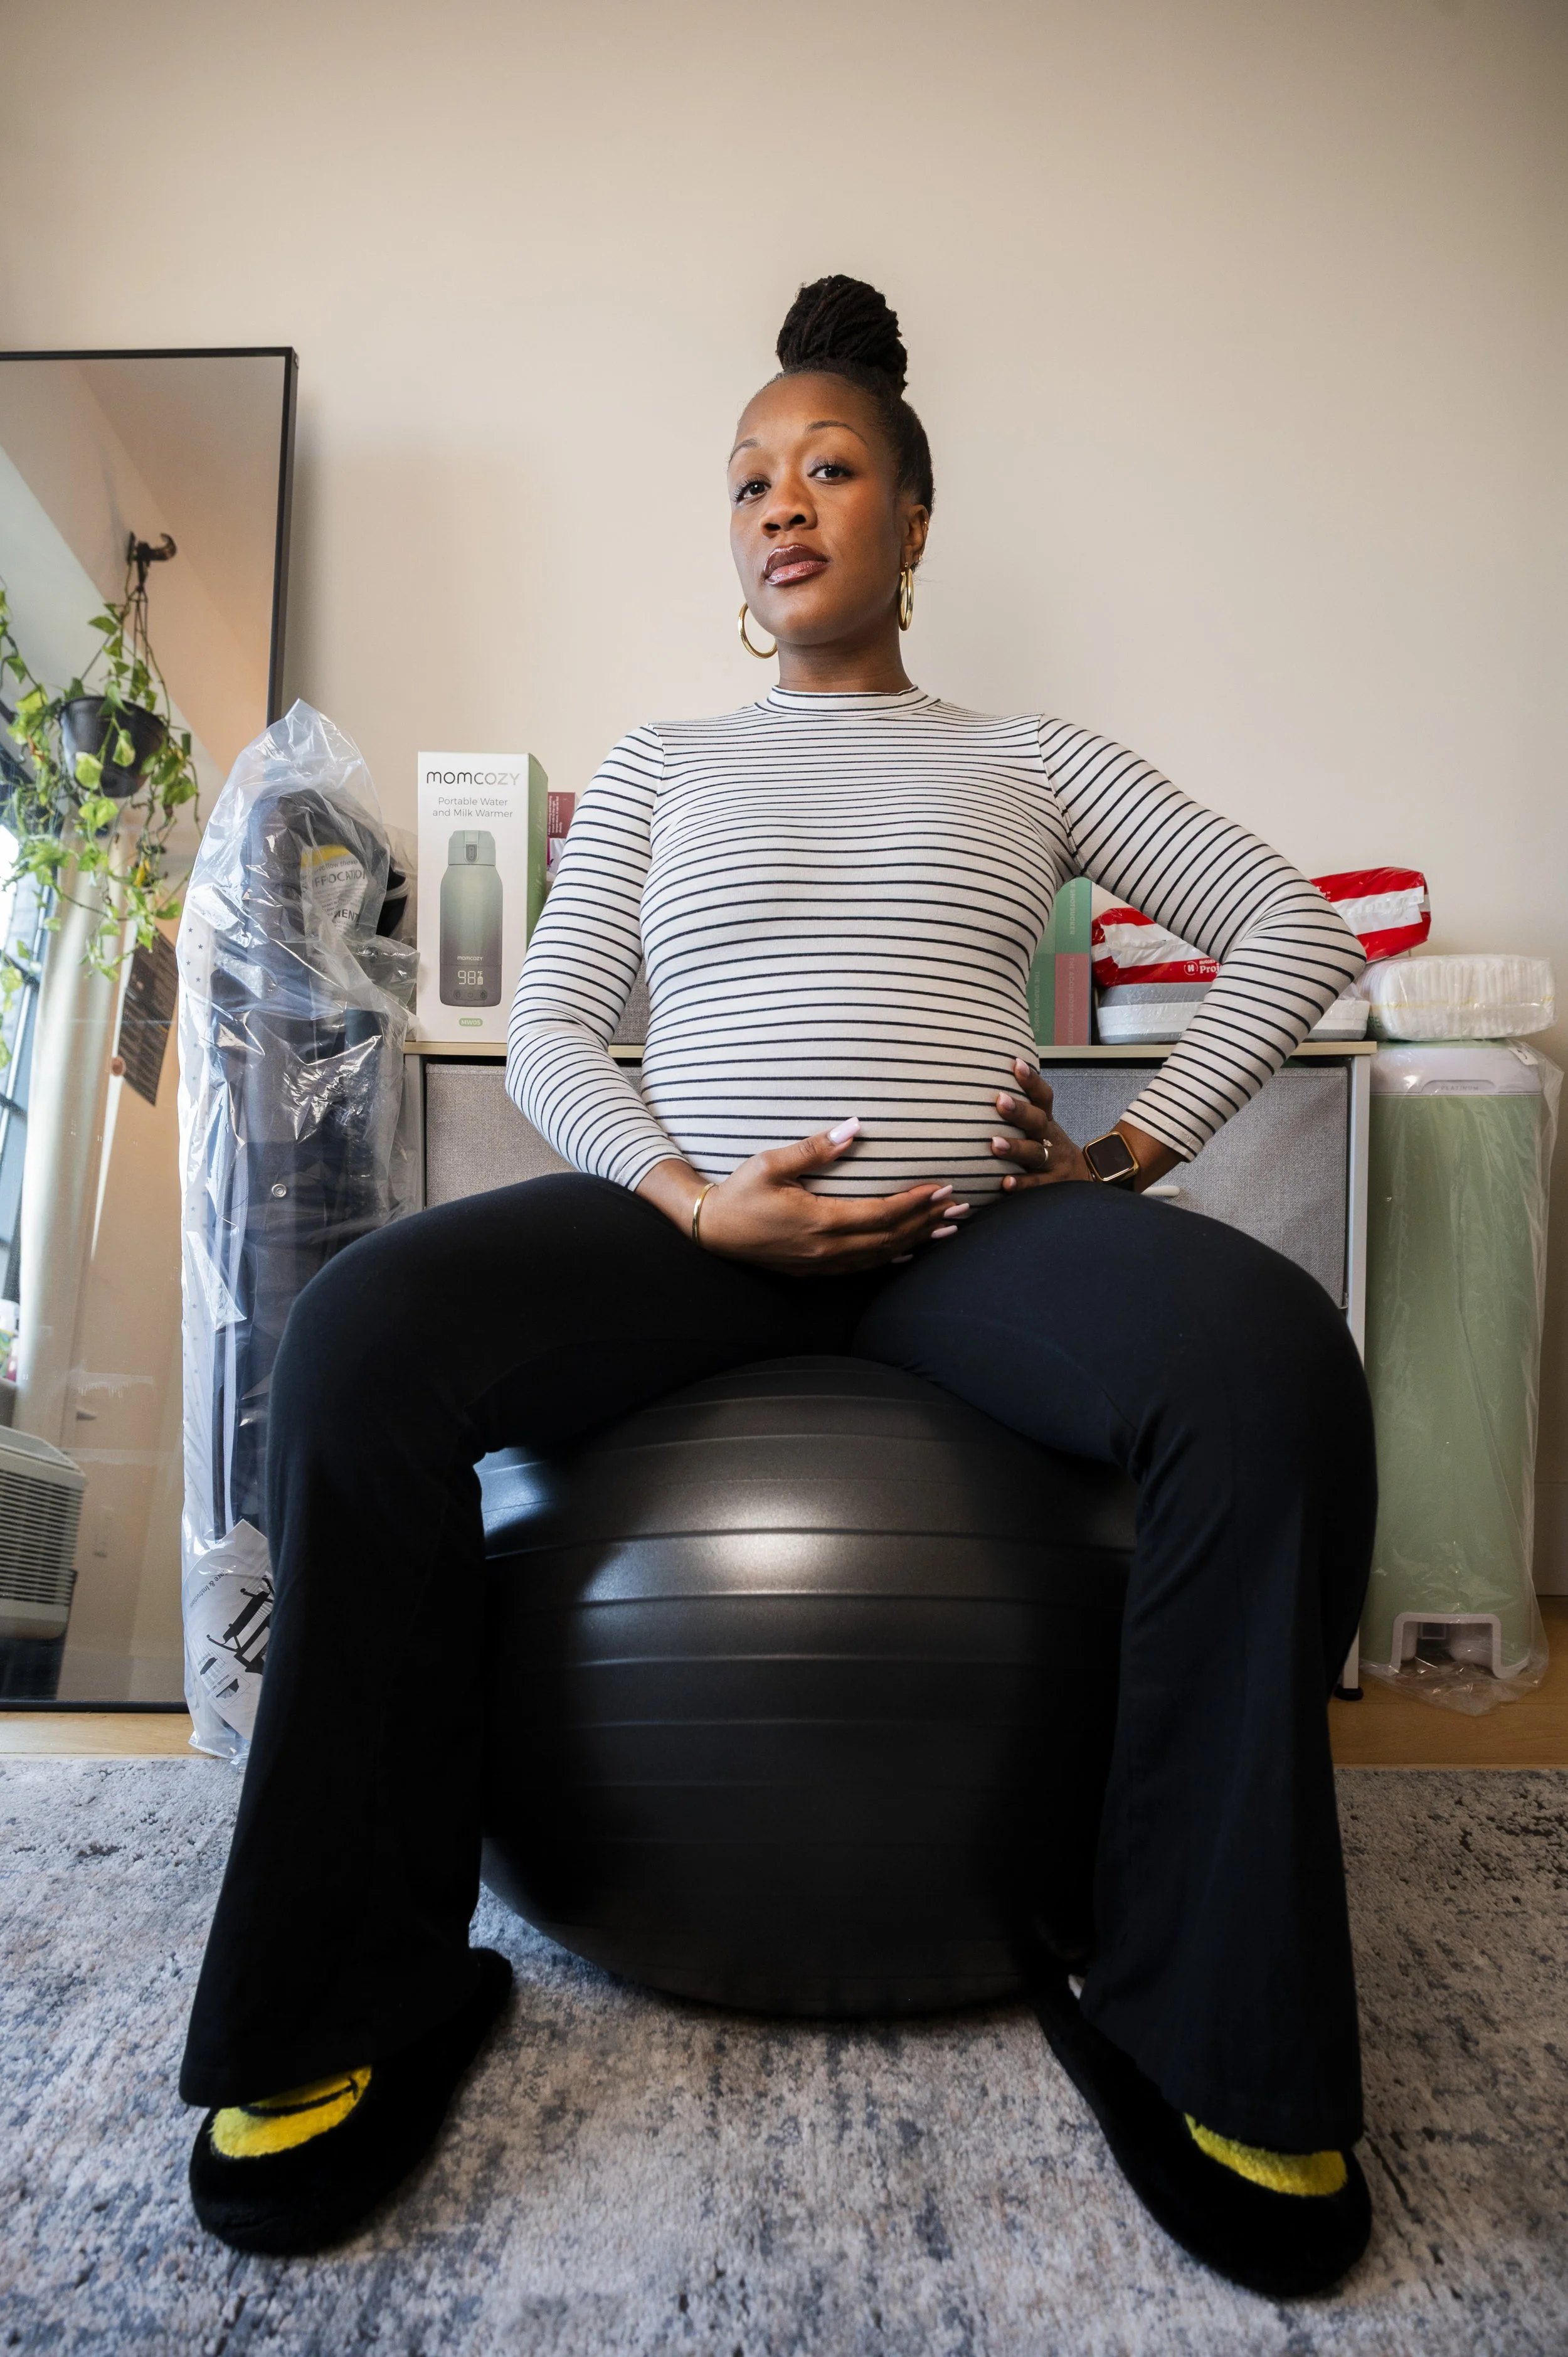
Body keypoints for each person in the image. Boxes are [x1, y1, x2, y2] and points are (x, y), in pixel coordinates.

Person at [181, 276, 1375, 2296]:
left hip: (963, 1243)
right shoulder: (662, 765)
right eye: (747, 479)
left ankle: (1209, 2029)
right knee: (367, 1334)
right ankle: (344, 2009)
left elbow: (1292, 921)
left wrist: (1125, 1153)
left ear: (913, 521)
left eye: (828, 467)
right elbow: (561, 1026)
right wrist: (679, 1191)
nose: (781, 504)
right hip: (691, 1244)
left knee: (1269, 1364)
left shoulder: (1020, 756)